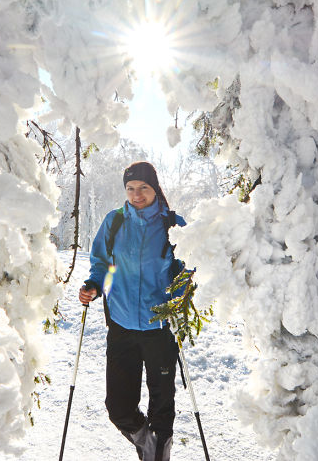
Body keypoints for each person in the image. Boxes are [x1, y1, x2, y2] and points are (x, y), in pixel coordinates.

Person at [79, 161, 186, 461]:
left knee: (162, 409)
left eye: (143, 188)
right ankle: (149, 447)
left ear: (155, 189)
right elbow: (101, 263)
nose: (137, 195)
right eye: (130, 189)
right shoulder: (114, 222)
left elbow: (186, 272)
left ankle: (159, 453)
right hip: (122, 326)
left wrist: (177, 301)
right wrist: (93, 285)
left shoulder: (172, 225)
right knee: (118, 407)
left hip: (160, 330)